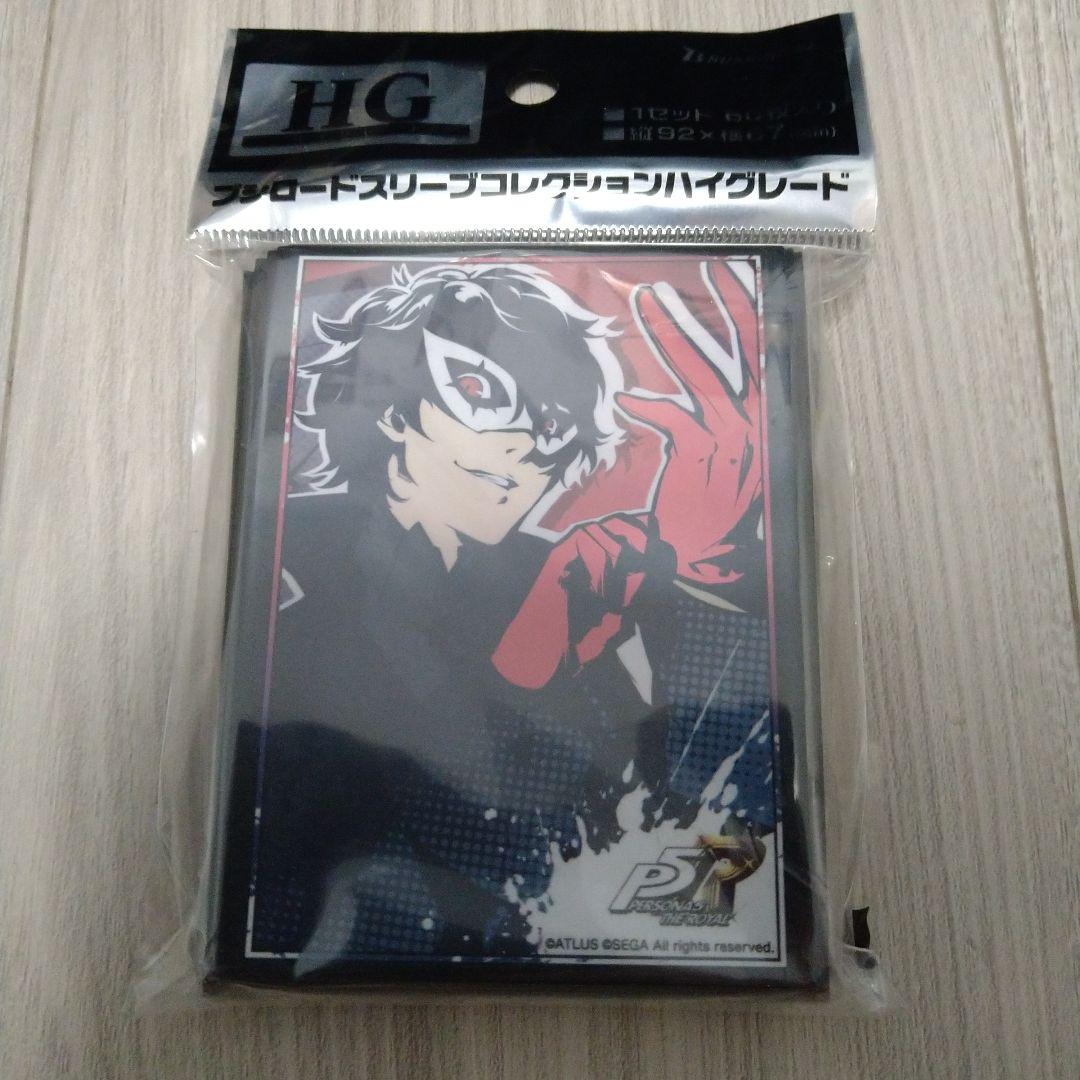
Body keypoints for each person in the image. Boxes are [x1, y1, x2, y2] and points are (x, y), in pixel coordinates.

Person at [232, 259, 776, 972]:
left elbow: (694, 834)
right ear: (392, 407)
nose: (524, 445)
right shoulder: (282, 553)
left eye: (554, 426)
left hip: (554, 938)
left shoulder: (575, 577)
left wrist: (700, 583)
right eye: (482, 391)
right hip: (338, 939)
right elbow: (296, 841)